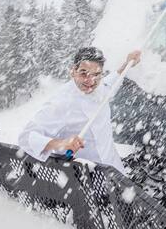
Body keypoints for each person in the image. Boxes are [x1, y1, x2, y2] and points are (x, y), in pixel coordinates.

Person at [18, 46, 141, 174]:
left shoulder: (100, 88)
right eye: (83, 73)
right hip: (85, 176)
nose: (90, 81)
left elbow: (111, 83)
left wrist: (127, 64)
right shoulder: (61, 102)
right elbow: (26, 137)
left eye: (96, 74)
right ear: (73, 71)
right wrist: (62, 143)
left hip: (114, 170)